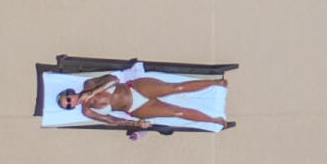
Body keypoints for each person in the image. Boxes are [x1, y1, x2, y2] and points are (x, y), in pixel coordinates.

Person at [56, 69, 232, 130]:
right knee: (177, 112)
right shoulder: (87, 111)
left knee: (175, 88)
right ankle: (215, 120)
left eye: (68, 99)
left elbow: (113, 80)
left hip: (135, 88)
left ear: (71, 93)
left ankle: (216, 82)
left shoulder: (89, 84)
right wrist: (135, 124)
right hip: (134, 109)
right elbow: (111, 120)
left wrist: (92, 92)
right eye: (69, 106)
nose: (72, 103)